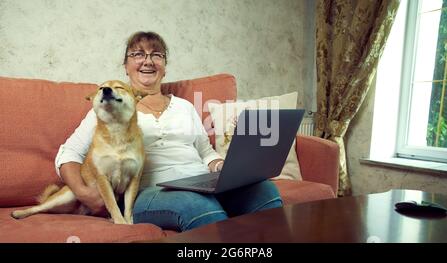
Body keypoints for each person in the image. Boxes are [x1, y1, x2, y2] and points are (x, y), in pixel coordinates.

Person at [55, 31, 282, 231]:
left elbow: (206, 152)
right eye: (138, 54)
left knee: (264, 190)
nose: (148, 61)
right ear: (125, 66)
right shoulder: (107, 107)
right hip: (152, 192)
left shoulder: (185, 107)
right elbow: (69, 153)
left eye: (156, 55)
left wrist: (221, 166)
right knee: (199, 206)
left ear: (164, 67)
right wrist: (84, 193)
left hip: (202, 181)